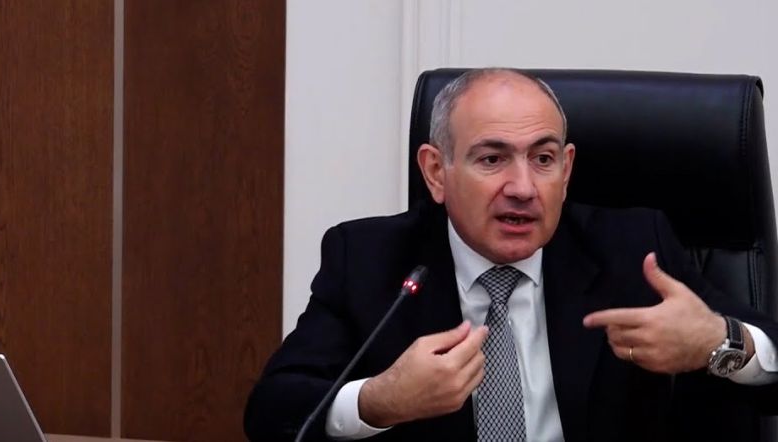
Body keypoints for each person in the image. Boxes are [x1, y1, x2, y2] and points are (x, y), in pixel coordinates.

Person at [244, 68, 778, 441]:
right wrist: (379, 400)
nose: (523, 188)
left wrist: (720, 341)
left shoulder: (634, 249)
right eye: (492, 159)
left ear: (566, 170)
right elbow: (272, 412)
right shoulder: (368, 258)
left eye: (543, 159)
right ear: (436, 172)